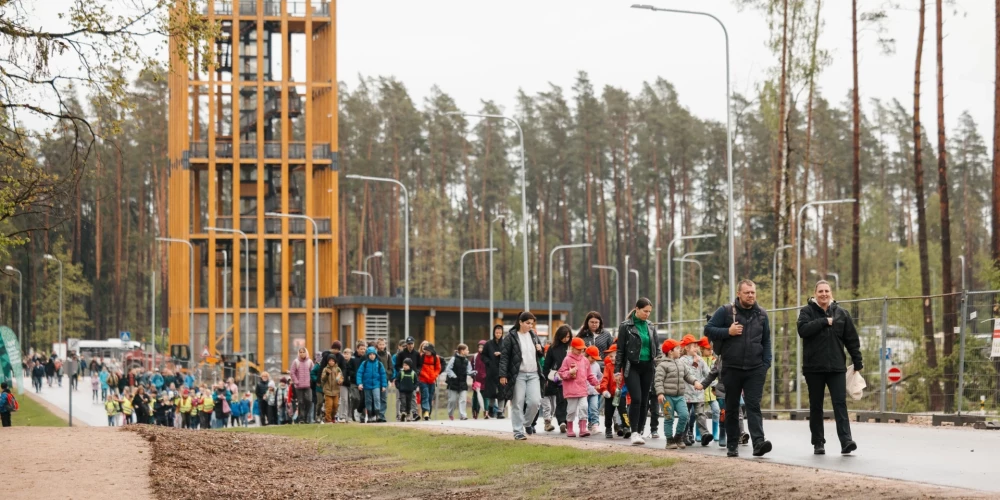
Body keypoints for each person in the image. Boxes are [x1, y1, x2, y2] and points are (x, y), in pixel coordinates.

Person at [704, 279, 773, 458]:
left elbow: (766, 341)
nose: (750, 295)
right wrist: (728, 332)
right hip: (731, 368)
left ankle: (758, 443)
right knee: (732, 406)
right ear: (739, 294)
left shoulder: (762, 315)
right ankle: (732, 444)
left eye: (753, 292)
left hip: (755, 368)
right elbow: (708, 330)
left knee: (753, 406)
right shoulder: (726, 311)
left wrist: (766, 363)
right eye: (747, 292)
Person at [797, 279, 863, 455]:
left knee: (840, 404)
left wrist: (857, 360)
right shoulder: (806, 312)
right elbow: (802, 330)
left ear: (831, 293)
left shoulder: (842, 314)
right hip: (814, 368)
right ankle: (818, 442)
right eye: (820, 291)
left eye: (827, 291)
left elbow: (851, 339)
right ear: (815, 293)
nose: (824, 294)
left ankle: (846, 441)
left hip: (836, 368)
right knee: (816, 405)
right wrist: (824, 321)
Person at [614, 298, 659, 446]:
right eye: (645, 311)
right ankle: (633, 432)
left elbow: (656, 348)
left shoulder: (651, 326)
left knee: (645, 400)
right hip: (632, 366)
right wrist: (616, 371)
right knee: (637, 398)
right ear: (637, 309)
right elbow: (620, 350)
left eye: (649, 312)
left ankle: (640, 431)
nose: (647, 314)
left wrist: (659, 365)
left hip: (648, 367)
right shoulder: (625, 326)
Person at [498, 311, 544, 441]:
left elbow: (540, 354)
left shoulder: (533, 335)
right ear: (520, 322)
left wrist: (541, 349)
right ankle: (518, 431)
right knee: (517, 403)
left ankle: (527, 423)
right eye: (528, 323)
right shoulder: (511, 337)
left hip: (534, 373)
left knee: (535, 401)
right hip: (518, 375)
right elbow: (504, 357)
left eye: (532, 323)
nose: (530, 326)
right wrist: (502, 374)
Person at [655, 338, 702, 449]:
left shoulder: (680, 363)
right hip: (666, 397)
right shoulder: (662, 365)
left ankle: (678, 437)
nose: (680, 350)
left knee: (685, 416)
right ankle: (669, 440)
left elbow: (687, 375)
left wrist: (695, 382)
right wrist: (660, 393)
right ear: (670, 351)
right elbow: (658, 380)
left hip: (680, 396)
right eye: (677, 348)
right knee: (669, 418)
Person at [558, 337, 600, 437]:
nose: (580, 350)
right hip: (571, 390)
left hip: (582, 389)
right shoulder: (567, 359)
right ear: (572, 348)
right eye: (578, 348)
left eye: (582, 349)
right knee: (571, 410)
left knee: (584, 407)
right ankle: (570, 428)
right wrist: (569, 372)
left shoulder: (585, 360)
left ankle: (582, 429)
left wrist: (596, 383)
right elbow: (561, 373)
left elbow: (589, 375)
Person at [680, 335, 713, 446]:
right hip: (686, 393)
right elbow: (687, 374)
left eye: (697, 346)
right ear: (686, 348)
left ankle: (705, 434)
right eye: (693, 346)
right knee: (685, 415)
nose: (696, 348)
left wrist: (708, 384)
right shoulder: (682, 360)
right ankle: (683, 435)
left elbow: (708, 373)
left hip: (698, 393)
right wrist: (694, 363)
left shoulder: (700, 359)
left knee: (700, 414)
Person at [542, 325, 571, 433]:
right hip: (556, 378)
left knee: (567, 402)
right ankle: (562, 421)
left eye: (568, 337)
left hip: (570, 377)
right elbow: (547, 365)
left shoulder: (571, 347)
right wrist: (545, 378)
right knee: (560, 400)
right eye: (564, 337)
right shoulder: (553, 348)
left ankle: (567, 421)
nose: (566, 339)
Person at [599, 344, 626, 439]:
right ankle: (608, 429)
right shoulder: (608, 366)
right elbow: (605, 379)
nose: (610, 358)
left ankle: (626, 427)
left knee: (623, 412)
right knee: (608, 413)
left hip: (620, 394)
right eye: (609, 356)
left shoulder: (624, 366)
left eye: (612, 356)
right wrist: (604, 390)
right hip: (610, 395)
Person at [356, 346, 387, 423]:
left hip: (376, 385)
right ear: (368, 355)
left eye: (373, 354)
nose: (372, 356)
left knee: (377, 399)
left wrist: (383, 385)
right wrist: (359, 383)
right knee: (368, 401)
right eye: (370, 354)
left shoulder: (379, 364)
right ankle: (369, 416)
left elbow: (383, 375)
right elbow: (359, 373)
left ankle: (377, 415)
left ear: (376, 355)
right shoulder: (364, 364)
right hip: (367, 386)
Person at [445, 343, 475, 421]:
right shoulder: (453, 359)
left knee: (463, 399)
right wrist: (453, 376)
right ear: (462, 351)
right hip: (453, 383)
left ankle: (463, 415)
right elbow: (448, 369)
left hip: (462, 383)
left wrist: (473, 373)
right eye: (467, 350)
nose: (468, 351)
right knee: (452, 400)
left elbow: (469, 371)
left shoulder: (466, 361)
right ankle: (450, 413)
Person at [481, 326, 506, 419]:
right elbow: (483, 355)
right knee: (491, 391)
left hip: (502, 371)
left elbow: (508, 354)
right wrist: (489, 362)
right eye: (497, 333)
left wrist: (501, 354)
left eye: (500, 333)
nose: (498, 335)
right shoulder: (488, 344)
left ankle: (500, 411)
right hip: (491, 370)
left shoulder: (505, 343)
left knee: (502, 391)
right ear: (494, 333)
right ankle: (491, 408)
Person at [289, 347, 314, 424]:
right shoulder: (296, 362)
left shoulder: (310, 362)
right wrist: (296, 381)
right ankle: (302, 418)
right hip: (298, 386)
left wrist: (311, 381)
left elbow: (312, 372)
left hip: (308, 385)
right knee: (301, 402)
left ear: (306, 353)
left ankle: (306, 416)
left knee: (309, 400)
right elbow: (292, 372)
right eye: (300, 352)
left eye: (303, 352)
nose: (302, 353)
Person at [417, 343, 442, 421]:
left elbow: (438, 368)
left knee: (430, 397)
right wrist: (423, 374)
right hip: (423, 380)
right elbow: (419, 368)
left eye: (428, 350)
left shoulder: (436, 358)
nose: (426, 352)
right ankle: (426, 411)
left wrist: (434, 375)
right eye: (426, 350)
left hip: (432, 380)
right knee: (425, 395)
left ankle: (428, 414)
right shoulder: (422, 357)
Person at [584, 345, 603, 435]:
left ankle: (595, 424)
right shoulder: (582, 363)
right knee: (585, 409)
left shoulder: (596, 365)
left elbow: (599, 376)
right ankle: (588, 423)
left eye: (595, 358)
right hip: (583, 391)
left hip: (594, 391)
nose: (594, 360)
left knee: (594, 407)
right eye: (592, 358)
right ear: (586, 355)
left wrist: (598, 384)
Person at [374, 338, 394, 422]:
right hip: (376, 379)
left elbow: (391, 368)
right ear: (377, 345)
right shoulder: (374, 354)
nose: (382, 346)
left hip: (384, 380)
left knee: (384, 398)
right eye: (380, 344)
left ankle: (381, 415)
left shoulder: (388, 355)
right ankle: (377, 414)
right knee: (376, 397)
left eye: (383, 344)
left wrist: (387, 375)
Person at [320, 355, 344, 424]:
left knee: (335, 406)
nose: (331, 362)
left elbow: (341, 377)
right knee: (329, 406)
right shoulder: (325, 369)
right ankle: (328, 420)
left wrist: (340, 381)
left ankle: (333, 417)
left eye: (333, 361)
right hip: (328, 391)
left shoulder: (338, 369)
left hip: (336, 391)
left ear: (335, 361)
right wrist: (327, 374)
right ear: (328, 361)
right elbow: (323, 379)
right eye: (330, 361)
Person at [471, 340, 488, 419]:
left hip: (485, 379)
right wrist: (473, 374)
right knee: (475, 397)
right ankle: (475, 411)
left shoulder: (488, 356)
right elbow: (471, 367)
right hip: (477, 379)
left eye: (482, 347)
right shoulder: (475, 357)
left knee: (485, 396)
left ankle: (486, 412)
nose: (480, 349)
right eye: (479, 347)